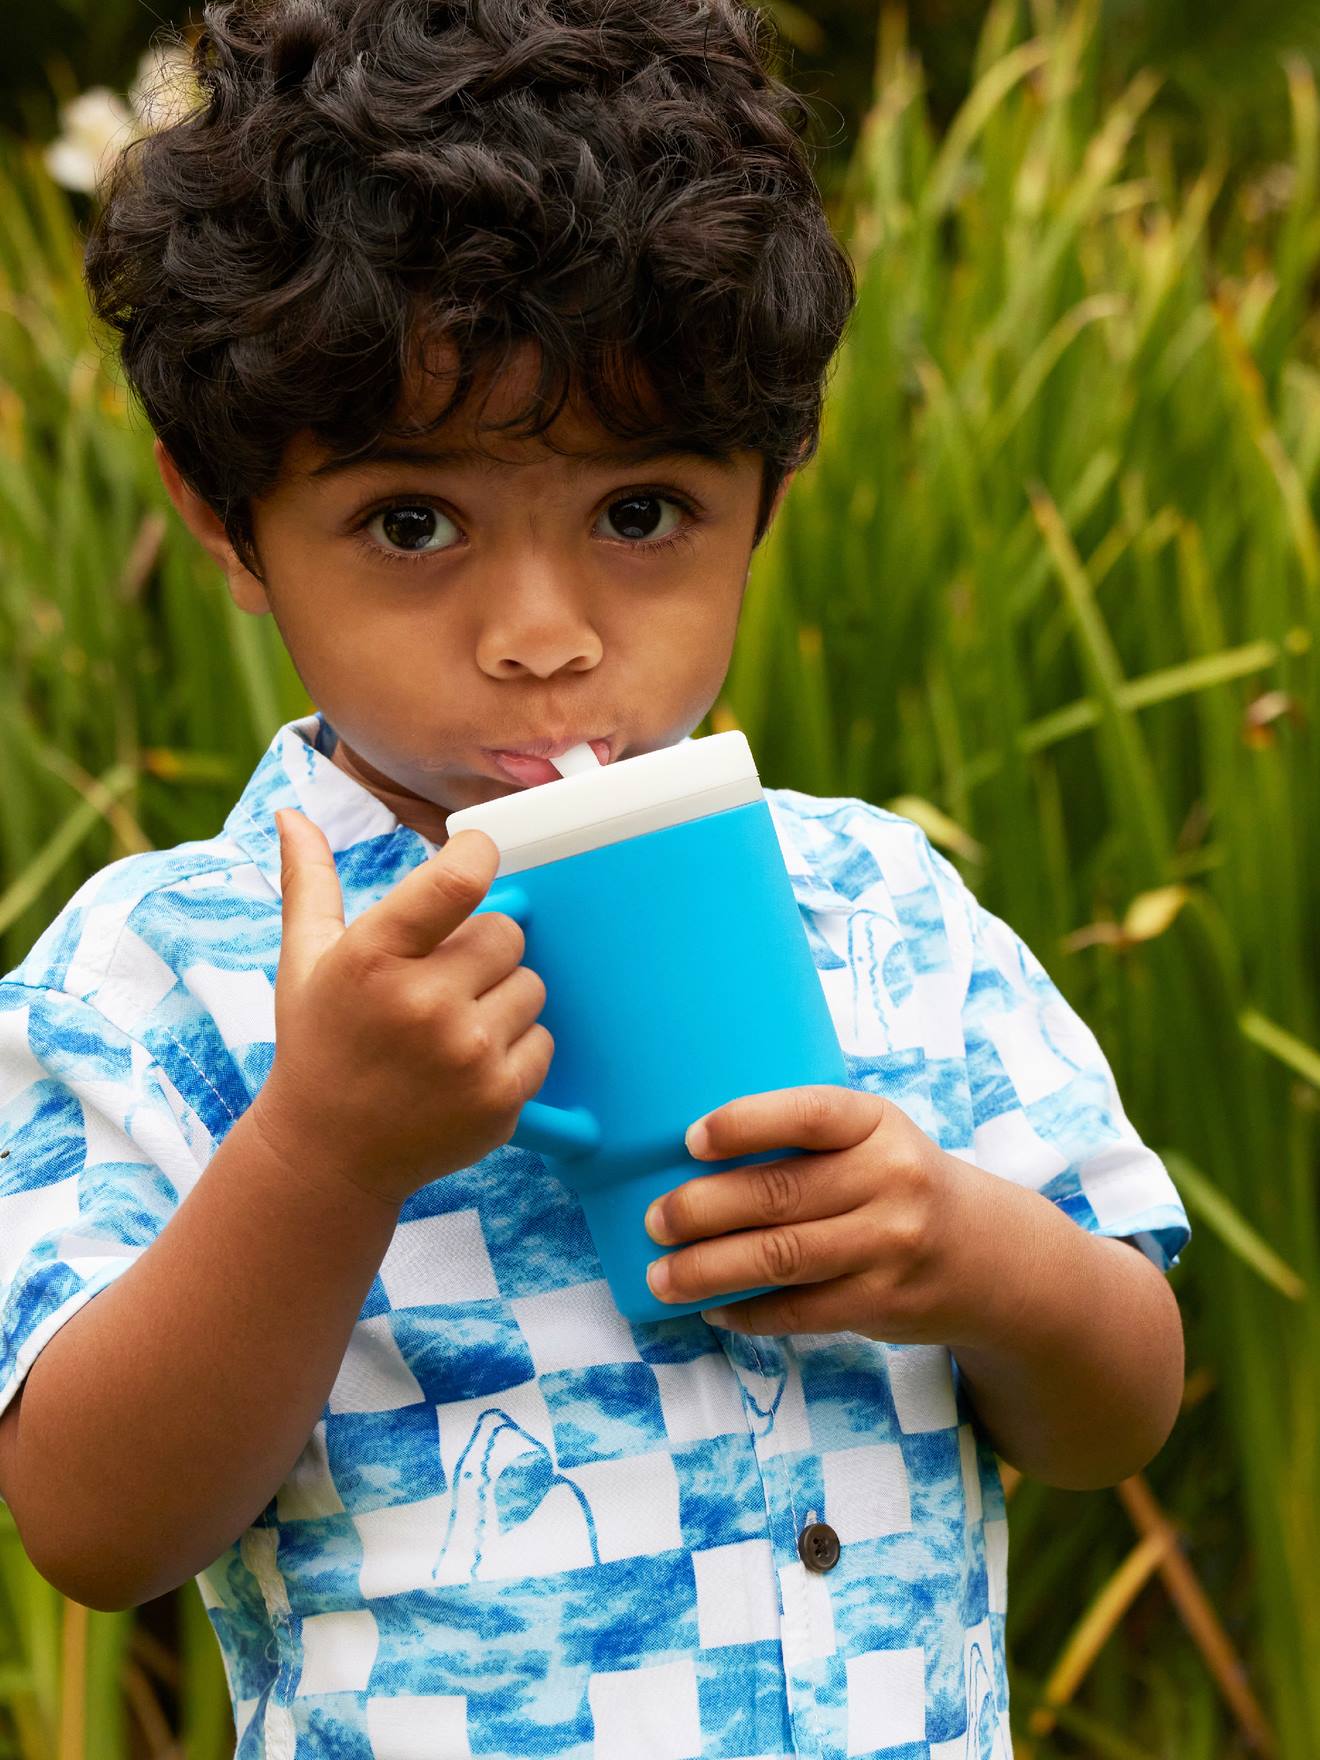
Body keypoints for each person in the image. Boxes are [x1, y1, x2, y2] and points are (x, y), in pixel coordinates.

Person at [0, 1, 1190, 1754]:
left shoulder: (885, 911)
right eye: (413, 523)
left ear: (766, 493)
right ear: (226, 518)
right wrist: (322, 1156)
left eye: (641, 513)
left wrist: (973, 1260)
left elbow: (1116, 1410)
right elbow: (92, 1528)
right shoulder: (160, 973)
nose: (544, 640)